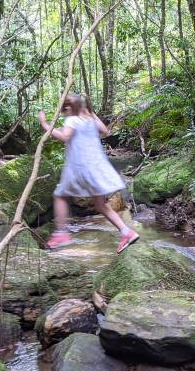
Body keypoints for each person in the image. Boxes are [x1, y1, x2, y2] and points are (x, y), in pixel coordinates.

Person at [38, 94, 139, 253]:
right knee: (101, 205)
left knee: (60, 195)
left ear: (70, 108)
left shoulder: (72, 120)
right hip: (97, 168)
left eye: (65, 108)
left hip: (81, 168)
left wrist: (45, 124)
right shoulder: (90, 120)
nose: (64, 111)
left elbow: (65, 137)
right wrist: (91, 112)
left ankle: (61, 233)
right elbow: (105, 131)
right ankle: (127, 233)